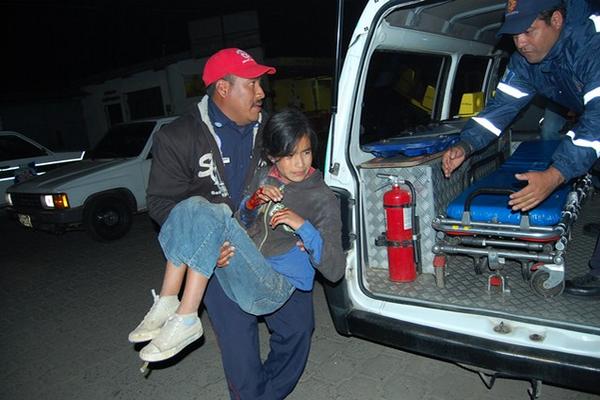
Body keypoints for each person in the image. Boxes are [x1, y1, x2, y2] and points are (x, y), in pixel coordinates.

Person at [134, 48, 344, 399]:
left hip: (273, 251)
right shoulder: (178, 137)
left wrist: (308, 229)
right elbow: (160, 203)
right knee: (240, 348)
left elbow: (305, 177)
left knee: (297, 331)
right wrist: (203, 245)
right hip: (218, 259)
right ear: (223, 89)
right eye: (253, 84)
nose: (262, 92)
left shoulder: (271, 132)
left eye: (261, 83)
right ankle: (180, 311)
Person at [441, 0, 600, 297]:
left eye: (528, 31)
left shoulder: (592, 42)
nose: (521, 43)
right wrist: (466, 144)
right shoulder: (525, 61)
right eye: (515, 35)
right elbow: (500, 109)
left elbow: (598, 119)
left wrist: (555, 174)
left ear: (556, 20)